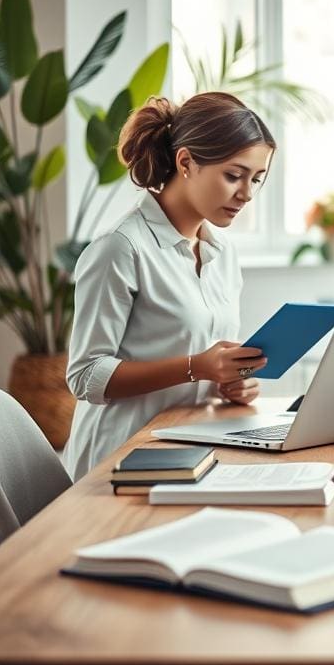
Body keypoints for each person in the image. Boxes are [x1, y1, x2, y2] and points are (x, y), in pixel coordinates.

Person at [63, 92, 276, 479]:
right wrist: (198, 367)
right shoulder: (120, 247)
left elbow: (206, 361)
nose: (245, 195)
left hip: (191, 448)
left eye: (256, 180)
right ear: (186, 162)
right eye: (233, 175)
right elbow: (86, 375)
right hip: (118, 460)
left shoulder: (222, 252)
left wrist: (231, 383)